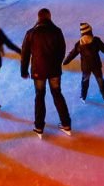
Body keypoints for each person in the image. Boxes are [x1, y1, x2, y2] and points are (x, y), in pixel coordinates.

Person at [20, 8, 71, 137]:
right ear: (49, 17)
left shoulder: (31, 33)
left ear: (38, 18)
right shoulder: (57, 31)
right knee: (57, 94)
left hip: (38, 71)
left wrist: (24, 70)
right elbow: (62, 50)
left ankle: (39, 127)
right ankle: (66, 124)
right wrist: (57, 64)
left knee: (39, 96)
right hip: (54, 70)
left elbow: (25, 54)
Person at [63, 22, 104, 103]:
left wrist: (65, 62)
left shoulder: (79, 44)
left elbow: (72, 54)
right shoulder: (96, 40)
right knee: (100, 80)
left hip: (86, 67)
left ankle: (83, 96)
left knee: (85, 81)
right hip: (96, 65)